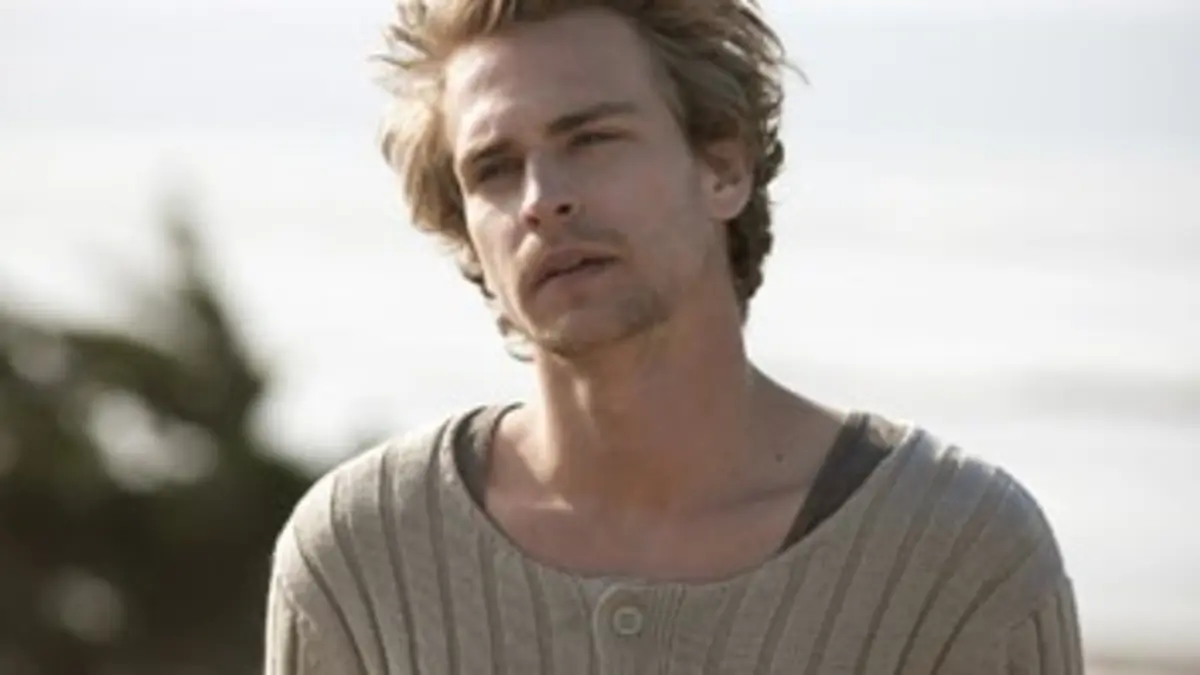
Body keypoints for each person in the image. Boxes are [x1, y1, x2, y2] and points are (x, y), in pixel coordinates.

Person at [263, 1, 1084, 673]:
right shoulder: (359, 556)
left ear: (723, 168)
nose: (541, 199)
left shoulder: (958, 552)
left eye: (591, 139)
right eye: (494, 168)